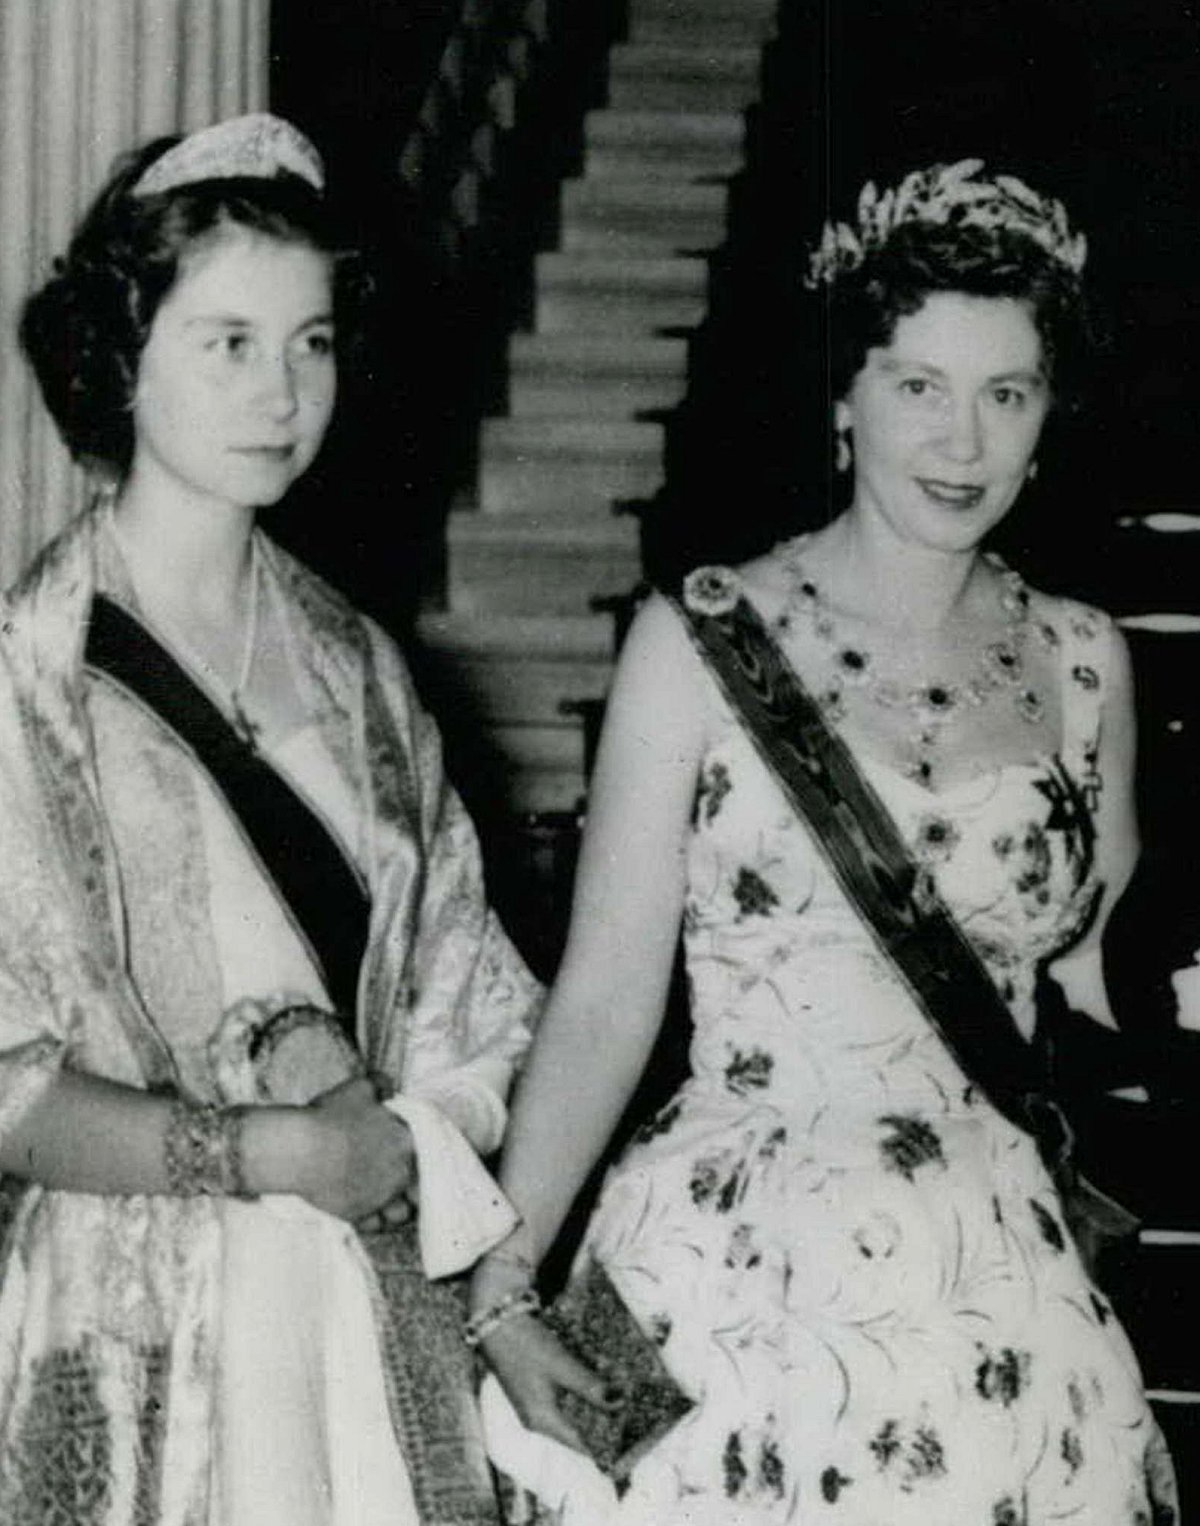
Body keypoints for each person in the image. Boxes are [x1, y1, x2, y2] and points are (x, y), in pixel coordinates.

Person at [469, 161, 1179, 1524]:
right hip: (732, 1262)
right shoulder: (698, 640)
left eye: (1006, 393)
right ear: (844, 397)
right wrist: (504, 1274)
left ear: (1049, 416)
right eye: (918, 385)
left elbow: (1099, 975)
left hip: (986, 1274)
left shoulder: (1087, 659)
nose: (962, 441)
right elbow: (607, 999)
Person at [0, 113, 541, 1525]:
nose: (282, 391)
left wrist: (402, 1133)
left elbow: (471, 1000)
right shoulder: (26, 684)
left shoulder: (363, 673)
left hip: (354, 1312)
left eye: (311, 343)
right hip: (132, 1320)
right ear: (124, 353)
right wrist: (259, 1150)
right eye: (227, 342)